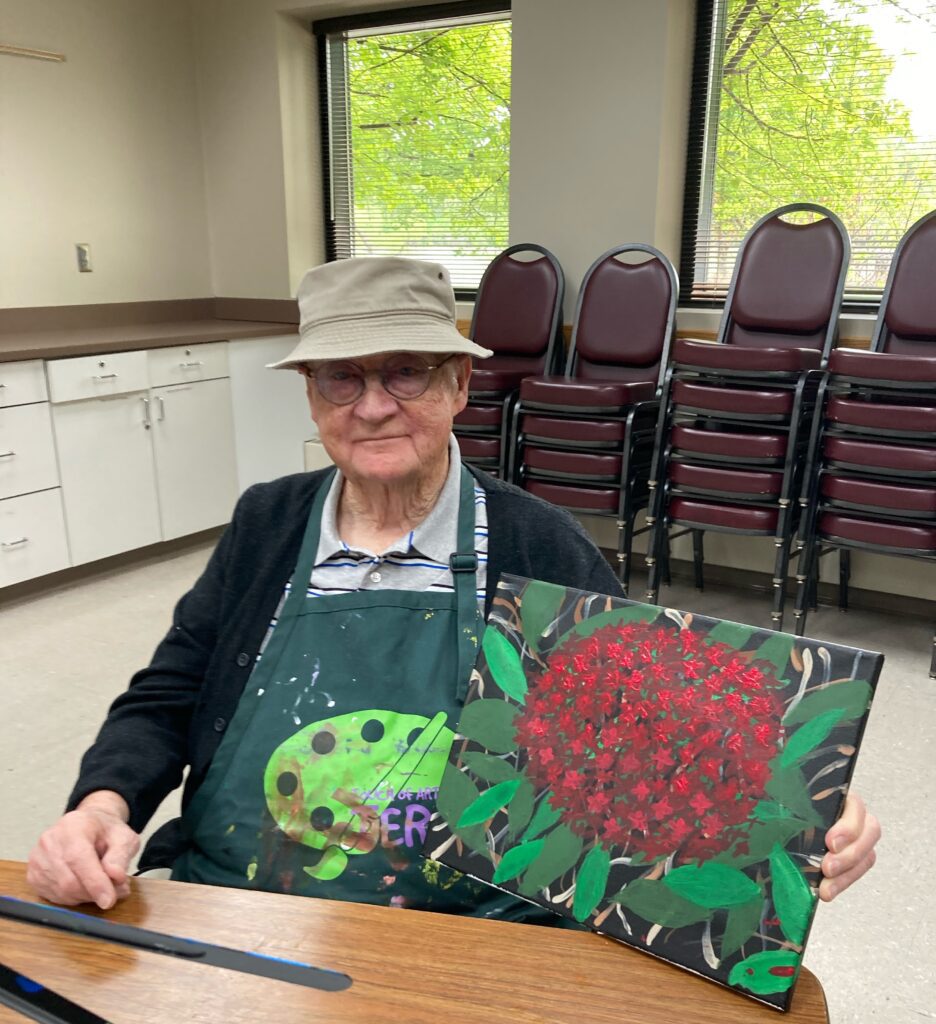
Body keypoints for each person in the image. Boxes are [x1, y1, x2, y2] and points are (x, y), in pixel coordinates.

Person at [27, 256, 880, 918]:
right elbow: (169, 692)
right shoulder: (266, 522)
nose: (372, 406)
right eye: (340, 376)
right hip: (238, 902)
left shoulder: (535, 541)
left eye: (406, 371)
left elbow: (650, 728)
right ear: (311, 396)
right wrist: (102, 803)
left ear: (460, 385)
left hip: (469, 927)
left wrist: (794, 803)